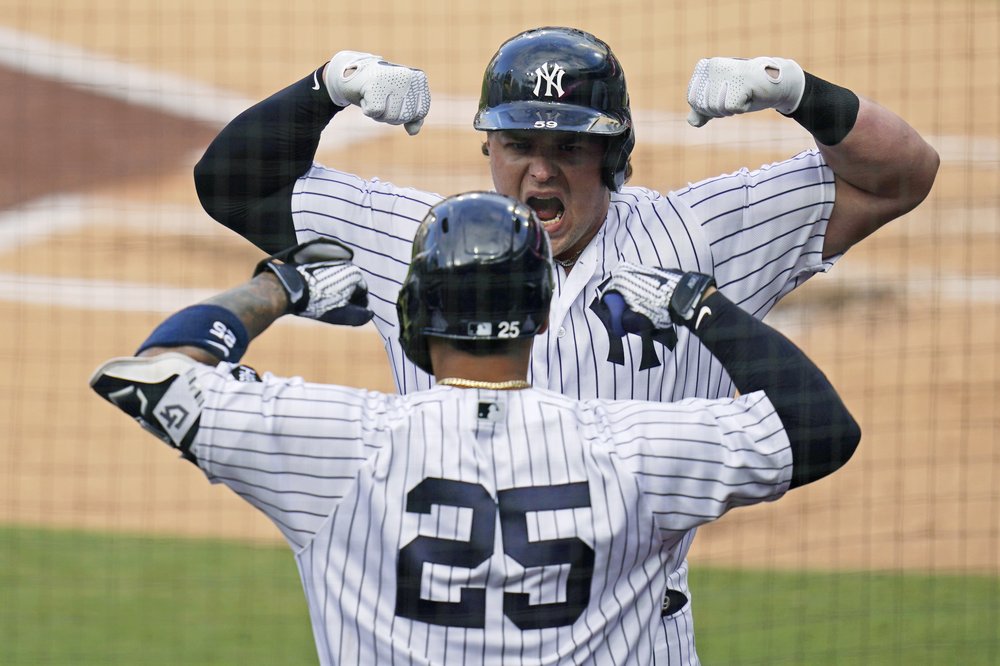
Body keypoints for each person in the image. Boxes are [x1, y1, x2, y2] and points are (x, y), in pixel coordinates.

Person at [192, 26, 935, 663]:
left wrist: (797, 89)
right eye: (518, 144)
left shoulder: (699, 235)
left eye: (569, 147)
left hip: (631, 635)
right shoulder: (434, 241)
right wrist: (328, 85)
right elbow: (231, 184)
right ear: (489, 144)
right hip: (442, 631)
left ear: (614, 153)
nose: (540, 171)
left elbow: (900, 175)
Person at [91, 192, 861, 665]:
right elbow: (822, 429)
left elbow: (154, 373)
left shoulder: (340, 443)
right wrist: (703, 307)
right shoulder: (632, 449)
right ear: (540, 314)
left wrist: (277, 287)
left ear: (415, 313)